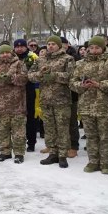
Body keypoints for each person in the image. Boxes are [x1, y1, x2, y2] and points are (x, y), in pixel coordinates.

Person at [69, 36, 108, 175]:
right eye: (91, 48)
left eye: (97, 48)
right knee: (91, 136)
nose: (94, 50)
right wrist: (82, 86)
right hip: (86, 105)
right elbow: (72, 82)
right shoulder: (80, 64)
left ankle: (105, 163)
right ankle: (93, 161)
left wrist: (100, 84)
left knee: (105, 136)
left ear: (103, 48)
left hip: (105, 106)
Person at [28, 35, 74, 168]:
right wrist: (41, 75)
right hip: (46, 99)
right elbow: (30, 75)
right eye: (49, 44)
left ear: (59, 45)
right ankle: (53, 152)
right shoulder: (41, 59)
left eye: (53, 44)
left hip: (62, 99)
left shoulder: (67, 59)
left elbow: (71, 76)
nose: (51, 46)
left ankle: (62, 155)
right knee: (49, 128)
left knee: (62, 128)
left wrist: (55, 76)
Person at [0, 44, 29, 163]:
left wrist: (12, 78)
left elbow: (25, 78)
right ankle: (5, 152)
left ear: (11, 52)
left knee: (18, 131)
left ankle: (19, 153)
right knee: (2, 130)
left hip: (17, 104)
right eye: (2, 53)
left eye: (7, 52)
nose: (5, 55)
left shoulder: (19, 63)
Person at [13, 39, 40, 152]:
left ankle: (31, 142)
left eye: (22, 46)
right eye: (17, 47)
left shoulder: (32, 58)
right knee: (17, 118)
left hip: (29, 90)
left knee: (30, 117)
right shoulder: (12, 59)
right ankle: (19, 141)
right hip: (15, 92)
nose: (19, 48)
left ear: (26, 47)